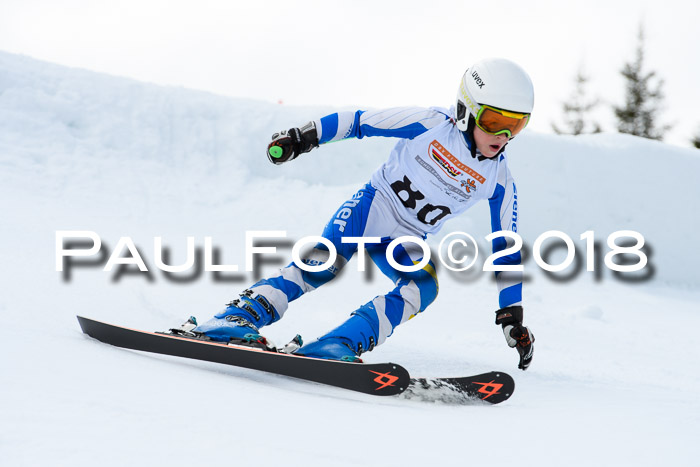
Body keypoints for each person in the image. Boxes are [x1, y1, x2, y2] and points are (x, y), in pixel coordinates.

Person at [191, 57, 535, 370]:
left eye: (516, 126)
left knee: (423, 288)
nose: (503, 136)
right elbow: (359, 122)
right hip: (372, 209)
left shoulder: (499, 181)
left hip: (406, 239)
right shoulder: (431, 125)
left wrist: (511, 314)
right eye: (493, 121)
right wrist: (303, 137)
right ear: (466, 111)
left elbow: (507, 250)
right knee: (320, 266)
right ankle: (233, 318)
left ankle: (336, 344)